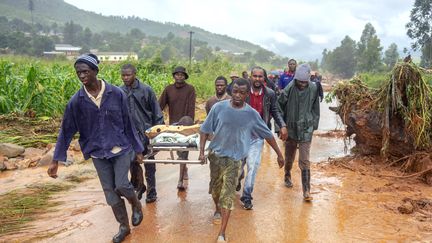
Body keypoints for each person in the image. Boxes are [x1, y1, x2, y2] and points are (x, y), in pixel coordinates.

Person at [47, 54, 144, 243]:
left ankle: (136, 204)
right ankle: (124, 226)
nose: (82, 75)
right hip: (98, 153)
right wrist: (55, 161)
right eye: (78, 73)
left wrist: (138, 149)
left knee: (122, 184)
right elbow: (66, 131)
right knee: (110, 193)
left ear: (95, 71)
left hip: (120, 148)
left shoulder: (116, 94)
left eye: (85, 71)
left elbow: (128, 124)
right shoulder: (77, 102)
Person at [199, 78, 285, 243]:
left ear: (247, 94)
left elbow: (267, 134)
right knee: (216, 191)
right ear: (231, 91)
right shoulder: (218, 108)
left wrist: (279, 154)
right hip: (216, 156)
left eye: (242, 93)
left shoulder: (251, 114)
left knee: (228, 195)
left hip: (235, 159)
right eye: (235, 91)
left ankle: (222, 233)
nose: (238, 95)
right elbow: (204, 130)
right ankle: (217, 206)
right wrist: (202, 152)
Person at [237, 66, 288, 210]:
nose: (257, 79)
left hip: (257, 136)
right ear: (250, 77)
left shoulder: (270, 94)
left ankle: (247, 196)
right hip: (240, 135)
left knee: (252, 166)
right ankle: (238, 178)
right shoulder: (243, 92)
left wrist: (282, 125)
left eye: (260, 76)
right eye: (255, 76)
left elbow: (275, 111)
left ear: (264, 78)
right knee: (238, 167)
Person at [120, 63, 164, 203]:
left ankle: (152, 192)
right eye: (123, 75)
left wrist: (158, 132)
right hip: (129, 135)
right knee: (132, 162)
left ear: (135, 74)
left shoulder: (146, 90)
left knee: (149, 164)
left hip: (146, 133)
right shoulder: (119, 92)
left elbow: (157, 112)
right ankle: (139, 186)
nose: (125, 78)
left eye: (128, 75)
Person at [277, 63, 320, 201]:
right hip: (291, 128)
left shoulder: (313, 88)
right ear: (295, 79)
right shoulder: (290, 87)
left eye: (304, 82)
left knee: (304, 159)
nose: (302, 84)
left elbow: (316, 109)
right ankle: (287, 174)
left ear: (308, 79)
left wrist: (313, 125)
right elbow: (278, 106)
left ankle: (306, 191)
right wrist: (281, 127)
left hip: (306, 129)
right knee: (289, 156)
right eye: (299, 82)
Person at [159, 66, 196, 190]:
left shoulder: (190, 89)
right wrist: (160, 122)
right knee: (179, 150)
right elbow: (160, 106)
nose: (179, 76)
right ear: (174, 76)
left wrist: (189, 124)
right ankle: (184, 167)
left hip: (186, 123)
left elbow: (191, 108)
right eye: (177, 74)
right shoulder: (168, 89)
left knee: (183, 150)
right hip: (174, 125)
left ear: (185, 76)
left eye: (182, 74)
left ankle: (180, 180)